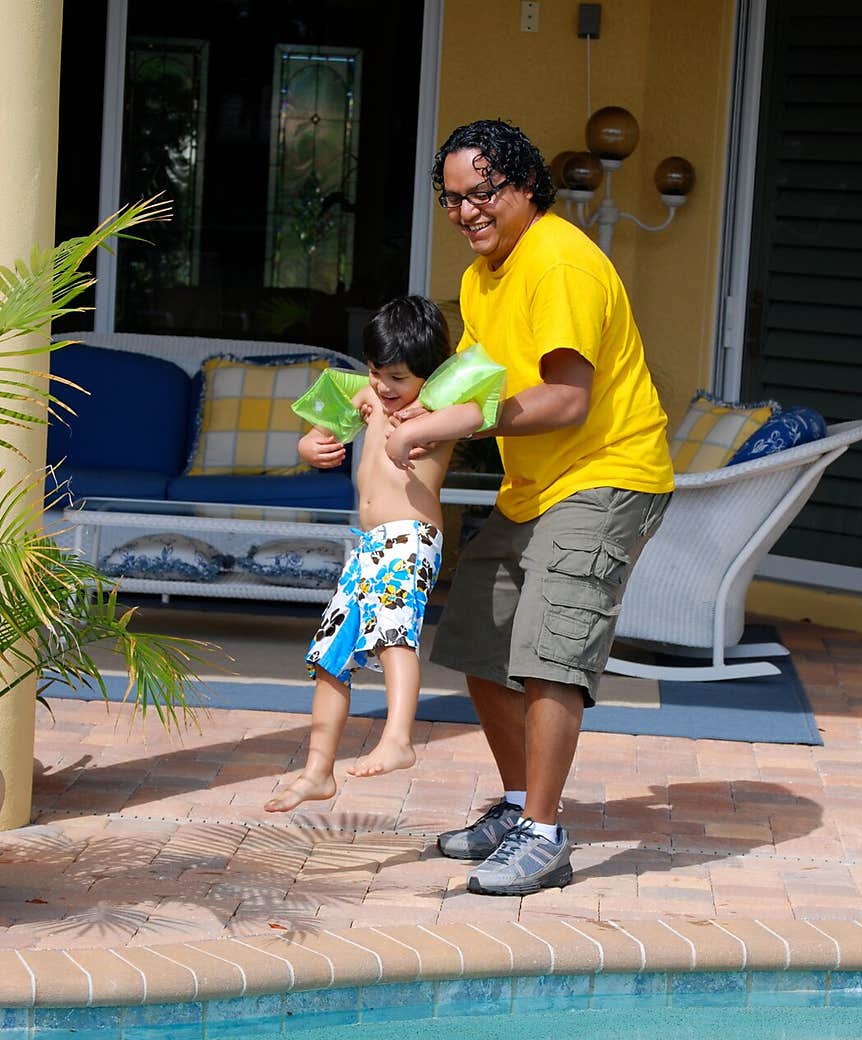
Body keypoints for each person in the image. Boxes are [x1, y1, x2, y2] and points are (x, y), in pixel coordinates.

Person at [390, 118, 674, 896]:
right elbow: (475, 383)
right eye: (452, 199)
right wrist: (394, 410)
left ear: (524, 186)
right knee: (480, 642)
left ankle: (544, 837)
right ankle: (520, 806)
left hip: (607, 474)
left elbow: (565, 399)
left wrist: (461, 421)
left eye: (483, 192)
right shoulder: (484, 278)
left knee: (551, 656)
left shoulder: (560, 264)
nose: (467, 211)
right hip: (535, 487)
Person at [264, 295, 487, 813]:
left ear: (429, 376)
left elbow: (480, 411)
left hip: (412, 537)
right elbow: (322, 427)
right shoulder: (368, 397)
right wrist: (310, 447)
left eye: (398, 378)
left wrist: (414, 428)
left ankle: (399, 738)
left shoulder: (441, 407)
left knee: (393, 634)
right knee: (329, 657)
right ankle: (318, 771)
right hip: (368, 546)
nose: (385, 388)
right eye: (376, 373)